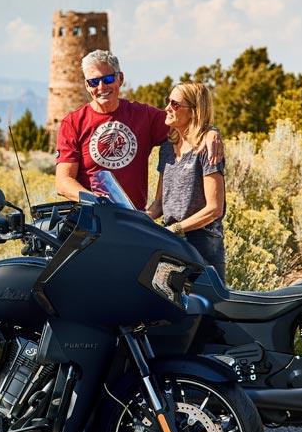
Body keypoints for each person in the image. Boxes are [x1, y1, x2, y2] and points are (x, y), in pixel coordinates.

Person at [55, 49, 222, 210]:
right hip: (91, 219)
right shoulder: (73, 123)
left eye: (107, 79)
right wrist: (98, 202)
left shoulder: (144, 115)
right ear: (87, 85)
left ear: (120, 78)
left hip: (133, 219)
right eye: (93, 82)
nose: (101, 87)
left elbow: (186, 124)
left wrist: (211, 131)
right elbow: (63, 182)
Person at [146, 82, 226, 281]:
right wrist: (142, 220)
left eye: (175, 104)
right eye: (168, 101)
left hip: (202, 243)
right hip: (171, 242)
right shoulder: (167, 148)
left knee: (203, 300)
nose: (167, 108)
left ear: (194, 111)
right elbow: (160, 203)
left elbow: (214, 209)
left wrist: (175, 229)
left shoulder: (207, 148)